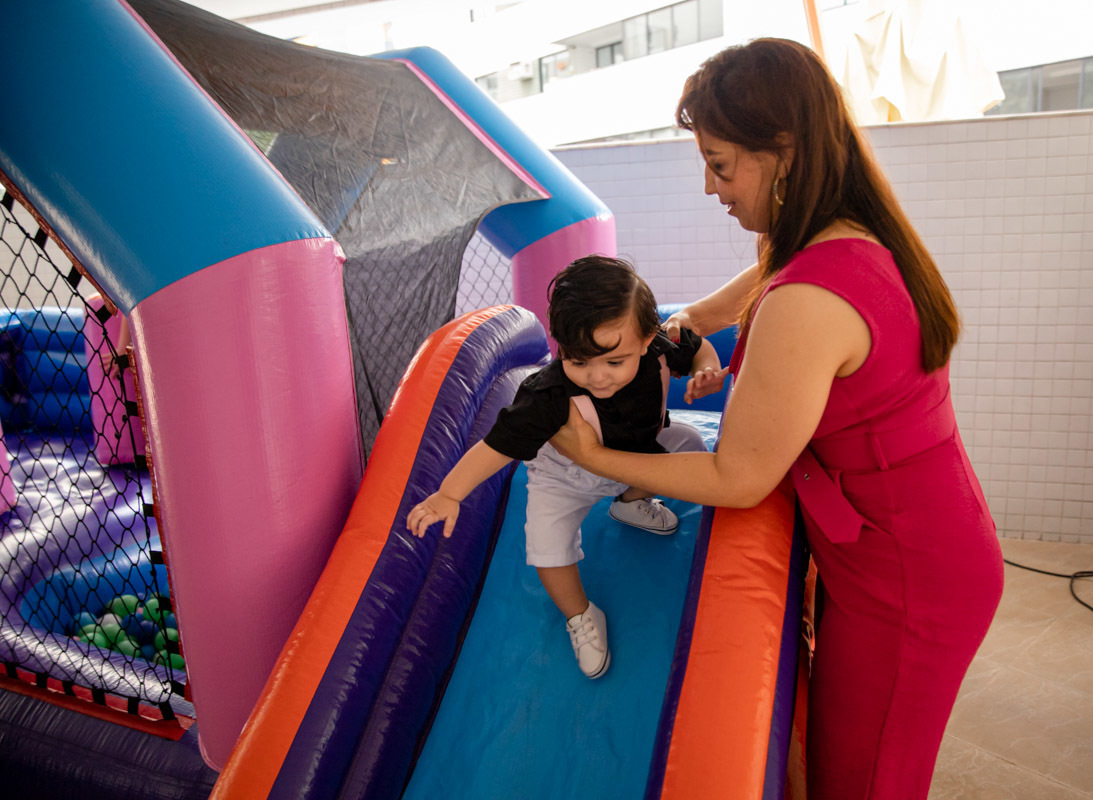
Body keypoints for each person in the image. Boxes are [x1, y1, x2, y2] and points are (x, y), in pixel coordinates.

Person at [549, 39, 1005, 798]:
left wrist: (595, 461)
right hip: (916, 544)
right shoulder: (840, 231)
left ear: (784, 152)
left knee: (860, 780)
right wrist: (690, 318)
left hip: (909, 584)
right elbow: (763, 276)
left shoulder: (810, 301)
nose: (708, 186)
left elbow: (738, 474)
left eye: (721, 165)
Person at [407, 255, 722, 679]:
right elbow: (495, 447)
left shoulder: (661, 346)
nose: (597, 378)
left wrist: (706, 372)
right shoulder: (546, 395)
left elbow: (698, 346)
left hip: (638, 454)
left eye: (613, 362)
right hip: (567, 476)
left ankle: (631, 503)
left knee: (691, 447)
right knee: (546, 546)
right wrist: (450, 493)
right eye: (579, 361)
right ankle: (579, 614)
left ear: (648, 339)